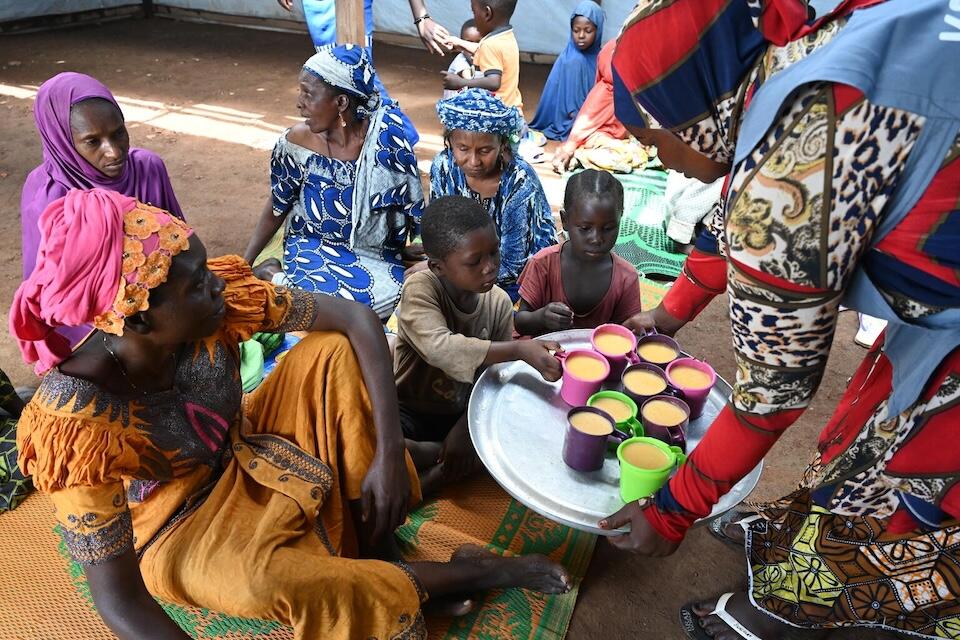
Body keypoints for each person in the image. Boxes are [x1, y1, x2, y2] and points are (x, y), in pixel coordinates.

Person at [11, 188, 572, 640]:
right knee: (267, 579)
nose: (217, 286)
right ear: (137, 321)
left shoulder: (216, 301)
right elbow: (119, 598)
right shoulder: (74, 424)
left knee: (331, 351)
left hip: (248, 445)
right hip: (179, 529)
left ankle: (380, 551)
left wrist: (382, 451)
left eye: (206, 270)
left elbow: (356, 319)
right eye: (197, 284)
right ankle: (472, 570)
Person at [603, 1, 960, 639]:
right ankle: (804, 547)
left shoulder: (793, 170)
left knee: (925, 483)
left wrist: (672, 510)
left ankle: (807, 610)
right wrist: (670, 312)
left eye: (650, 136)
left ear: (688, 111)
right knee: (883, 433)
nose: (658, 158)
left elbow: (770, 398)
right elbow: (737, 224)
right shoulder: (789, 60)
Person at [395, 196, 563, 495]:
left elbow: (492, 377)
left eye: (494, 253)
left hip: (458, 411)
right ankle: (439, 460)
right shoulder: (420, 289)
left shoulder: (498, 301)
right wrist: (518, 350)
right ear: (438, 266)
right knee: (376, 443)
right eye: (475, 261)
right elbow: (440, 348)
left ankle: (438, 466)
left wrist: (464, 428)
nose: (490, 268)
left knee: (503, 442)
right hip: (408, 407)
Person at [244, 45, 423, 320]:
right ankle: (270, 271)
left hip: (374, 254)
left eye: (308, 94)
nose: (299, 103)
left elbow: (415, 209)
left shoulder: (388, 142)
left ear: (341, 103)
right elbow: (278, 205)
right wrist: (245, 262)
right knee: (329, 308)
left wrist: (429, 257)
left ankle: (278, 282)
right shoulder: (296, 143)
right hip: (313, 248)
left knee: (406, 299)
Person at [21, 72, 183, 347]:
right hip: (91, 332)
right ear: (62, 141)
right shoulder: (49, 196)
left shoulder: (147, 168)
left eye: (119, 133)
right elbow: (58, 297)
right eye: (92, 141)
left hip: (161, 310)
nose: (114, 152)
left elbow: (179, 248)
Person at [430, 89, 556, 302]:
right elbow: (441, 231)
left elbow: (514, 263)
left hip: (510, 277)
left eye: (485, 150)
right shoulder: (443, 167)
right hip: (462, 270)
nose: (473, 161)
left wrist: (458, 276)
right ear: (450, 142)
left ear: (502, 145)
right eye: (463, 148)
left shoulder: (519, 180)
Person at [514, 169, 641, 337]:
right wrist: (541, 317)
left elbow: (627, 335)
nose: (596, 239)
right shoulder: (542, 264)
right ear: (565, 221)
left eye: (608, 228)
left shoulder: (626, 277)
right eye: (585, 228)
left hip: (598, 359)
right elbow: (521, 323)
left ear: (620, 219)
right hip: (543, 356)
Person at [274, 0, 420, 145]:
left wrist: (421, 17)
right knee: (336, 74)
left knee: (356, 76)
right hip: (319, 5)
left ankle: (400, 136)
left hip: (349, 6)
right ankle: (391, 137)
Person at [528, 1, 604, 142]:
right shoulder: (575, 60)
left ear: (598, 30)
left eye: (588, 31)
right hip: (569, 118)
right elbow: (572, 109)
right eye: (576, 30)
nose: (581, 36)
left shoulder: (597, 55)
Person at [442, 0, 522, 113]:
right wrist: (459, 43)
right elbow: (484, 50)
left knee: (451, 112)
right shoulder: (506, 37)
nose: (474, 18)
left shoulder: (490, 45)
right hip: (513, 110)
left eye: (474, 13)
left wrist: (461, 82)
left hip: (497, 115)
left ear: (487, 14)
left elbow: (493, 82)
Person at [442, 19, 483, 100]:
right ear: (460, 46)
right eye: (468, 43)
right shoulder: (461, 62)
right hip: (456, 106)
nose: (472, 48)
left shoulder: (484, 59)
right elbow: (467, 77)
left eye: (478, 43)